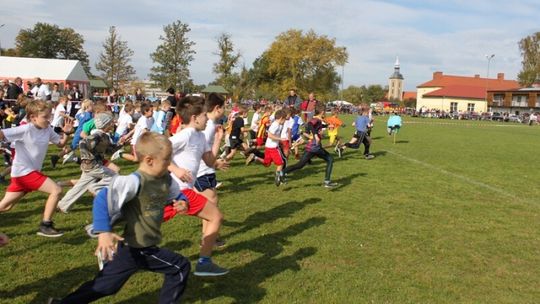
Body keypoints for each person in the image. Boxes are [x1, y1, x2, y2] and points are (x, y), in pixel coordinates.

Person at [48, 132, 191, 304]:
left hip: (128, 248)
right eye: (167, 160)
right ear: (149, 160)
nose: (170, 164)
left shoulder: (165, 179)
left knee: (106, 286)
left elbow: (177, 195)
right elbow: (102, 198)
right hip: (140, 247)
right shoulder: (133, 181)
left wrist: (182, 202)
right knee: (179, 267)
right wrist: (103, 232)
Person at [164, 96, 228, 276]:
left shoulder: (200, 136)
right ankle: (204, 263)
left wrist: (217, 145)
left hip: (179, 193)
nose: (207, 118)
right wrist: (175, 169)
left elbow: (208, 159)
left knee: (149, 222)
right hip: (177, 190)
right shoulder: (186, 135)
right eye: (203, 115)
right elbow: (159, 150)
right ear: (194, 118)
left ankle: (113, 243)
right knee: (215, 216)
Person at [0, 100, 73, 237]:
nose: (49, 119)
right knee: (56, 190)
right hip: (24, 172)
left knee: (5, 206)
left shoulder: (47, 129)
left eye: (50, 116)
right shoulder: (26, 129)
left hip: (27, 174)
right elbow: (2, 134)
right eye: (45, 117)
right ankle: (46, 225)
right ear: (33, 117)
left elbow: (60, 144)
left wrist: (67, 133)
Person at [57, 113, 118, 213]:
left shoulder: (104, 136)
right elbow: (83, 143)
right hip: (94, 166)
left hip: (90, 166)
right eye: (111, 123)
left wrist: (121, 144)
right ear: (105, 124)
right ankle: (95, 188)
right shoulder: (97, 135)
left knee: (80, 186)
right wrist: (87, 158)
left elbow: (109, 151)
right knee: (115, 177)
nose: (113, 124)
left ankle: (63, 205)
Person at [283, 105, 338, 188]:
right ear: (322, 112)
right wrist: (315, 135)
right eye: (325, 112)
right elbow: (309, 124)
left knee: (300, 165)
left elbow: (317, 126)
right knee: (330, 159)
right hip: (315, 147)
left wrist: (327, 126)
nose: (325, 113)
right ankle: (327, 182)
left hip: (311, 147)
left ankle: (281, 172)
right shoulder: (316, 119)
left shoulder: (318, 120)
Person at [246, 109, 288, 186]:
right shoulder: (276, 125)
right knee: (281, 163)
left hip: (268, 146)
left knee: (267, 164)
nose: (285, 121)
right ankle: (278, 178)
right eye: (285, 119)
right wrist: (280, 139)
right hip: (273, 147)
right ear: (281, 118)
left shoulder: (277, 124)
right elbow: (270, 135)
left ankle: (255, 158)